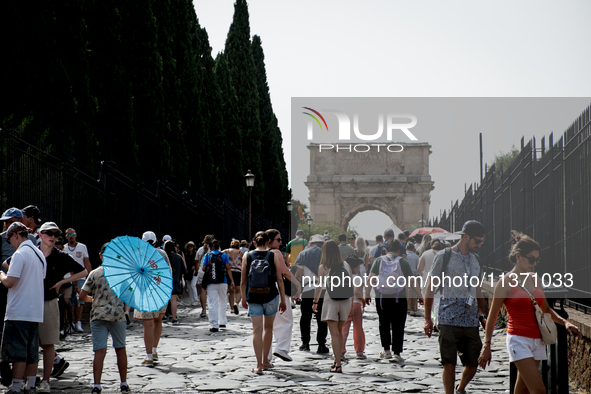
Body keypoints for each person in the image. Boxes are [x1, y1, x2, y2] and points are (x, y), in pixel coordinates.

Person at [478, 231, 582, 394]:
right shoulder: (505, 282)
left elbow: (546, 309)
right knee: (539, 390)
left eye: (537, 260)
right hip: (518, 339)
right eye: (531, 259)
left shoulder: (535, 278)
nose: (534, 263)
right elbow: (492, 315)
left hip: (538, 340)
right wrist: (487, 345)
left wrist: (566, 322)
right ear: (518, 256)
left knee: (523, 389)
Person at [423, 220, 488, 394]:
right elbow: (430, 287)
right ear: (465, 237)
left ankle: (460, 389)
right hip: (447, 316)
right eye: (477, 241)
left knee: (473, 363)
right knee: (449, 362)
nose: (480, 245)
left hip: (470, 319)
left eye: (482, 241)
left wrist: (482, 314)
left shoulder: (476, 260)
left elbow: (477, 290)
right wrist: (427, 319)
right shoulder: (444, 256)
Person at [37, 222, 88, 392]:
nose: (52, 237)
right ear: (40, 234)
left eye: (55, 234)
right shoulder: (31, 251)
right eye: (48, 233)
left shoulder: (60, 255)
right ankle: (27, 379)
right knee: (32, 340)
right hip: (29, 300)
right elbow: (8, 263)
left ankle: (46, 380)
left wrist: (62, 282)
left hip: (49, 300)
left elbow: (83, 272)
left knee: (48, 341)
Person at [0, 222, 46, 394]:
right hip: (35, 311)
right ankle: (31, 386)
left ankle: (17, 386)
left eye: (9, 238)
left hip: (19, 311)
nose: (9, 243)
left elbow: (10, 282)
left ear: (16, 235)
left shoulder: (19, 254)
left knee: (18, 351)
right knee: (31, 351)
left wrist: (1, 275)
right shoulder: (39, 254)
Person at [79, 242, 130, 394]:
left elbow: (82, 296)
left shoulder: (94, 273)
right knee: (120, 348)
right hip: (117, 316)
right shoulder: (122, 274)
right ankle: (123, 383)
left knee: (99, 351)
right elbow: (128, 296)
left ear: (100, 256)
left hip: (98, 315)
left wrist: (95, 300)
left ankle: (97, 385)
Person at [365, 240, 423, 363]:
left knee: (383, 323)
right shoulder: (403, 262)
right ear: (399, 251)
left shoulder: (379, 260)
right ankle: (397, 353)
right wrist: (420, 295)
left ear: (386, 250)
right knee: (399, 325)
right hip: (399, 297)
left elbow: (371, 278)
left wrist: (366, 294)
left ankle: (386, 351)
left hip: (382, 297)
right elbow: (412, 281)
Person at [240, 231, 286, 374]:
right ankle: (266, 361)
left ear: (254, 243)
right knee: (268, 329)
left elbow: (242, 281)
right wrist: (283, 299)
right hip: (270, 296)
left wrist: (243, 297)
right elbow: (279, 279)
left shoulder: (247, 256)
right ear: (268, 242)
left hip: (253, 296)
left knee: (256, 330)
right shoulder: (273, 255)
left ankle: (258, 365)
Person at [312, 240, 353, 373]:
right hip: (346, 300)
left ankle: (338, 364)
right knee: (339, 331)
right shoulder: (346, 264)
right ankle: (337, 360)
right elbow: (351, 283)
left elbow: (319, 287)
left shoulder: (323, 266)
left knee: (334, 333)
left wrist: (315, 302)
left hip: (331, 300)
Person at [133, 231, 171, 365]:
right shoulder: (162, 254)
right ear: (155, 242)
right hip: (160, 291)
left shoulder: (138, 255)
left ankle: (148, 356)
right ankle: (154, 350)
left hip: (145, 292)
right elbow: (169, 273)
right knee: (158, 320)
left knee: (148, 324)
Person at [265, 229, 301, 363]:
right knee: (286, 321)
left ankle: (266, 358)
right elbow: (285, 272)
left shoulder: (256, 253)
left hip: (262, 292)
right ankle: (281, 348)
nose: (281, 243)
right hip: (277, 290)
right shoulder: (276, 253)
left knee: (266, 326)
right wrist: (297, 284)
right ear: (270, 241)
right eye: (278, 240)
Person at [294, 234, 329, 354]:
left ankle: (305, 343)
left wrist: (297, 290)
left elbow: (298, 275)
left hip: (308, 289)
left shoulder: (303, 253)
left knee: (305, 317)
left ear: (311, 243)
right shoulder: (327, 254)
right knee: (322, 319)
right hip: (323, 289)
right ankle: (321, 344)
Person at [62, 228, 93, 333]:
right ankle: (70, 323)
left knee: (80, 300)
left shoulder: (82, 246)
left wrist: (90, 276)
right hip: (68, 277)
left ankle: (78, 322)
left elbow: (86, 261)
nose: (71, 236)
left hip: (80, 277)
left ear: (76, 235)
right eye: (68, 234)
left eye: (72, 234)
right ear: (66, 237)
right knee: (69, 301)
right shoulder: (64, 248)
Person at [202, 239, 234, 332]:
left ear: (210, 247)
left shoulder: (207, 256)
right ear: (218, 246)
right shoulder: (224, 255)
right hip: (222, 281)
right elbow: (228, 268)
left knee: (212, 303)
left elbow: (204, 268)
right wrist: (231, 280)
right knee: (223, 301)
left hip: (211, 282)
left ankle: (214, 324)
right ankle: (222, 321)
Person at [340, 255, 366, 360]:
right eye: (358, 266)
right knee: (358, 328)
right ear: (354, 267)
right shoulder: (357, 278)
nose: (359, 268)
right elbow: (356, 292)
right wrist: (363, 300)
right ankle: (359, 351)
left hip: (345, 304)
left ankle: (340, 351)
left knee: (343, 329)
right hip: (355, 304)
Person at [165, 240, 186, 324]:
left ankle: (163, 316)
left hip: (164, 281)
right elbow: (184, 270)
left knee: (164, 299)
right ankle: (174, 318)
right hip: (175, 281)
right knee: (173, 300)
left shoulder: (163, 257)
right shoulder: (178, 257)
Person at [221, 239, 244, 315]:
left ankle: (231, 308)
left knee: (231, 291)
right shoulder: (240, 253)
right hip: (238, 272)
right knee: (238, 291)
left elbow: (219, 256)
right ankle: (236, 304)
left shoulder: (226, 251)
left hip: (229, 272)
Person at [195, 235, 214, 318]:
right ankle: (212, 309)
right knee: (212, 291)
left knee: (203, 292)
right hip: (212, 272)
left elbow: (196, 262)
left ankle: (203, 310)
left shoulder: (200, 250)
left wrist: (196, 270)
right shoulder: (215, 249)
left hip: (201, 271)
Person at [405, 242, 420, 316]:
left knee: (407, 292)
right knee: (414, 293)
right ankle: (413, 308)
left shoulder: (405, 256)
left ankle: (407, 308)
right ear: (413, 248)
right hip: (414, 275)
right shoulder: (416, 256)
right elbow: (418, 267)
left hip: (406, 275)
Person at [184, 241, 199, 306]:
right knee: (189, 286)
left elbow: (197, 262)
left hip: (194, 271)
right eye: (189, 246)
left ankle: (196, 299)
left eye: (191, 246)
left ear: (193, 247)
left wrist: (196, 268)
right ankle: (192, 299)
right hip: (188, 271)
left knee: (193, 285)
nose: (190, 248)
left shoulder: (195, 254)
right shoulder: (186, 254)